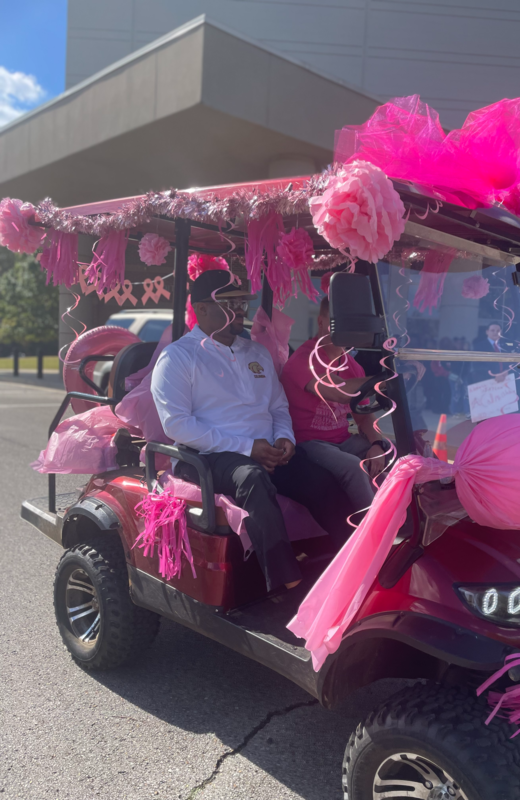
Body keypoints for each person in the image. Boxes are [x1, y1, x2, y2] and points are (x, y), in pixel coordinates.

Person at [151, 270, 353, 593]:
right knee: (252, 479)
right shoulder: (178, 357)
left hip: (264, 450)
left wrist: (284, 438)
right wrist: (248, 448)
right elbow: (177, 425)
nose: (241, 311)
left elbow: (277, 407)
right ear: (201, 309)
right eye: (229, 304)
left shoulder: (255, 353)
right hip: (208, 457)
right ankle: (288, 586)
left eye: (242, 303)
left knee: (319, 477)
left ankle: (354, 565)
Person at [280, 295, 389, 515]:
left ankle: (400, 520)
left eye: (349, 323)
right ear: (321, 323)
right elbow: (336, 391)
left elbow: (364, 416)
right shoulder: (303, 360)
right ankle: (370, 530)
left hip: (342, 440)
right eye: (337, 322)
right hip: (307, 442)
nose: (345, 330)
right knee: (353, 467)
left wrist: (377, 444)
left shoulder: (353, 367)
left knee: (393, 454)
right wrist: (385, 381)